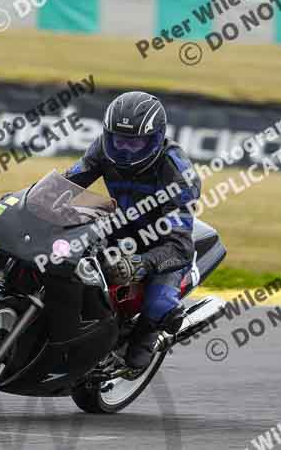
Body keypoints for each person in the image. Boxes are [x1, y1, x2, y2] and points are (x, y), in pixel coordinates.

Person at [63, 91, 201, 372]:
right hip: (119, 226)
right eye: (120, 140)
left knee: (159, 308)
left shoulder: (178, 174)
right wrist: (32, 199)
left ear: (155, 138)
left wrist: (141, 264)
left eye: (135, 142)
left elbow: (180, 247)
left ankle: (146, 336)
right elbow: (70, 182)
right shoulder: (103, 148)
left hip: (161, 246)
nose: (125, 149)